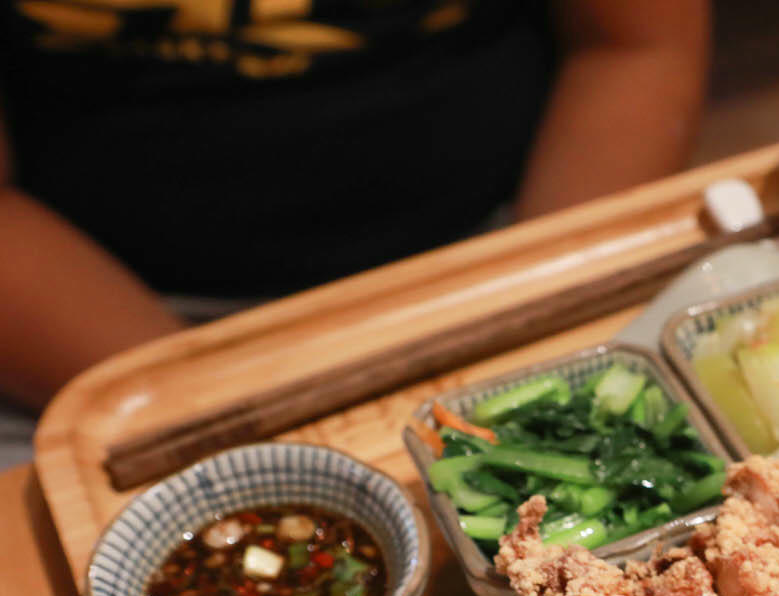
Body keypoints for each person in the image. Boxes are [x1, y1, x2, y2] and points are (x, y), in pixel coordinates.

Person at [0, 0, 710, 419]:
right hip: (87, 332)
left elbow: (636, 45)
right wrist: (203, 407)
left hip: (511, 249)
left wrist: (530, 337)